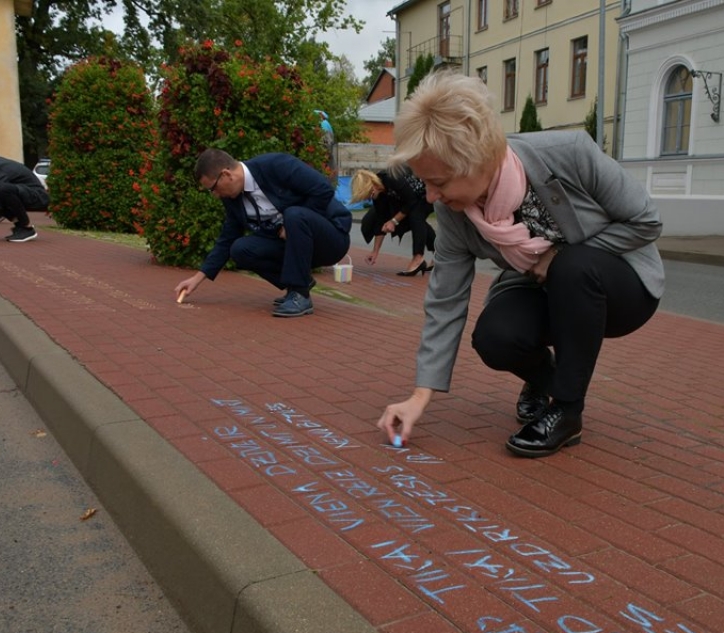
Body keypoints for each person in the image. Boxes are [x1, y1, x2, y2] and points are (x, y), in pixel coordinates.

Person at [378, 71, 664, 458]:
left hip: (620, 285)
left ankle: (566, 412)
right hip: (539, 287)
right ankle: (545, 380)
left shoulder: (569, 153)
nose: (431, 196)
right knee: (495, 336)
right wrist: (419, 396)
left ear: (477, 161)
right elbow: (445, 300)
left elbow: (646, 220)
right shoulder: (454, 214)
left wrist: (557, 255)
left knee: (573, 265)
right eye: (424, 182)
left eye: (439, 182)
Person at [174, 148, 352, 318]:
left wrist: (290, 225)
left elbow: (323, 188)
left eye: (212, 188)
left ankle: (300, 294)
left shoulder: (275, 165)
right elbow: (226, 239)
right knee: (239, 249)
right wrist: (197, 278)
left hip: (331, 238)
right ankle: (299, 283)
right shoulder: (233, 200)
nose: (215, 195)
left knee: (294, 215)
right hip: (295, 248)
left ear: (226, 174)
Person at [349, 168, 435, 276]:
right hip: (413, 198)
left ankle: (418, 259)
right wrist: (375, 252)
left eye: (368, 195)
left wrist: (393, 221)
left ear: (372, 186)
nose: (369, 199)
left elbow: (411, 201)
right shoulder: (379, 195)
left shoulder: (391, 178)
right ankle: (440, 253)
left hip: (429, 191)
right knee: (412, 220)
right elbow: (381, 219)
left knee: (416, 216)